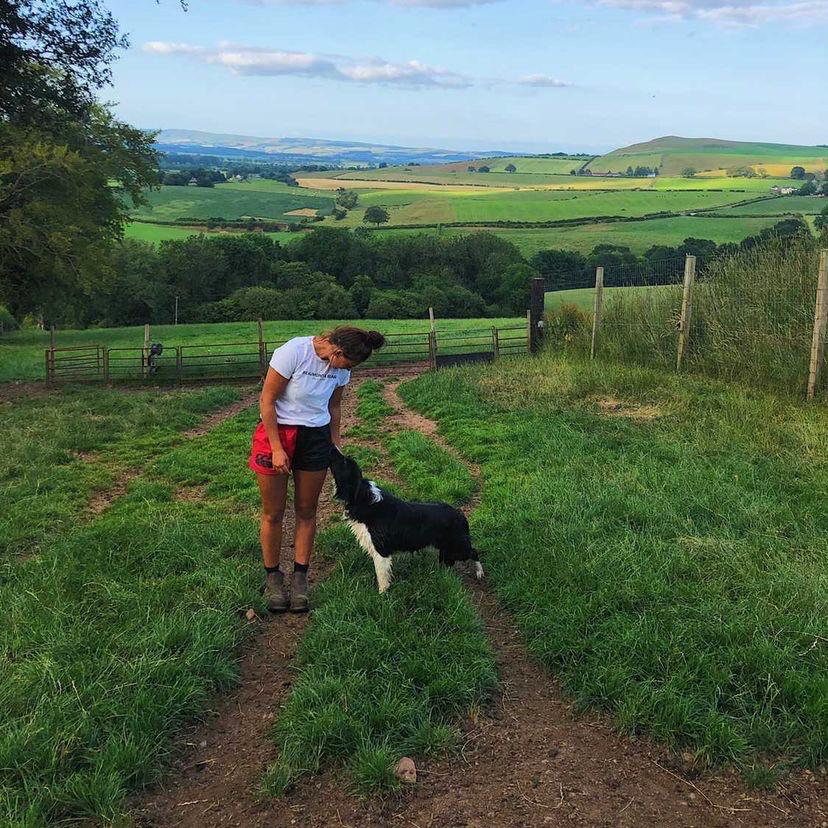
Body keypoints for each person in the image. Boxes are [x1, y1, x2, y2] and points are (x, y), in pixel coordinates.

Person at [248, 326, 385, 612]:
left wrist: (335, 444)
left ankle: (300, 578)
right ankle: (273, 577)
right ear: (336, 351)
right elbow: (267, 400)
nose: (346, 370)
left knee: (307, 510)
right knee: (273, 512)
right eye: (346, 363)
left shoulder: (342, 370)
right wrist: (276, 447)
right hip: (279, 432)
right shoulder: (293, 352)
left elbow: (334, 407)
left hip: (316, 438)